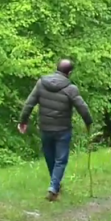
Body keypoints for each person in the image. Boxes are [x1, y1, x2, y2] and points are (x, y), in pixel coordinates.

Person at [19, 59, 93, 201]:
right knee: (60, 159)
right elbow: (82, 108)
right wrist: (88, 123)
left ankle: (55, 185)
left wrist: (23, 121)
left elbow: (29, 103)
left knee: (50, 157)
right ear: (69, 73)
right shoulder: (71, 89)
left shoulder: (41, 84)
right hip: (62, 129)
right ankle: (54, 187)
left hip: (45, 128)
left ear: (56, 68)